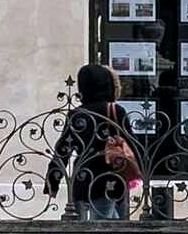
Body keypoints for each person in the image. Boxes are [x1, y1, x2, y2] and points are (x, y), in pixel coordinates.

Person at [45, 62, 140, 222]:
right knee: (105, 228)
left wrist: (52, 181)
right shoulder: (115, 110)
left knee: (93, 227)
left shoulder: (77, 114)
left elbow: (63, 150)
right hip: (111, 176)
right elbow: (133, 144)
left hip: (83, 176)